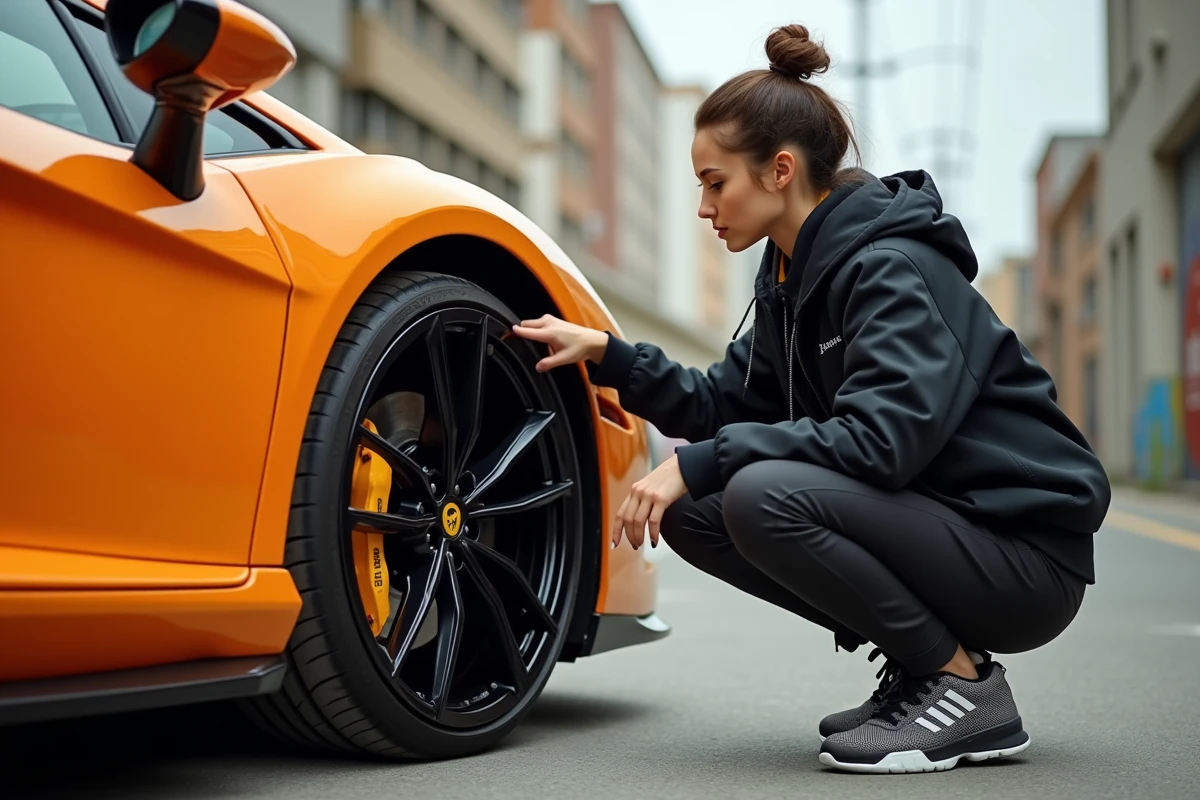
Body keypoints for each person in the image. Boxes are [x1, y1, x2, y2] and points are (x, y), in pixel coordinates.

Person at [511, 23, 1110, 775]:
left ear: (780, 171)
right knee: (696, 510)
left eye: (714, 181)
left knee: (758, 493)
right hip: (947, 529)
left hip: (1022, 555)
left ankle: (961, 688)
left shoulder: (893, 269)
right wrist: (613, 358)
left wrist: (700, 462)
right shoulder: (791, 283)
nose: (704, 206)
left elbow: (882, 442)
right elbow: (723, 404)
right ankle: (927, 667)